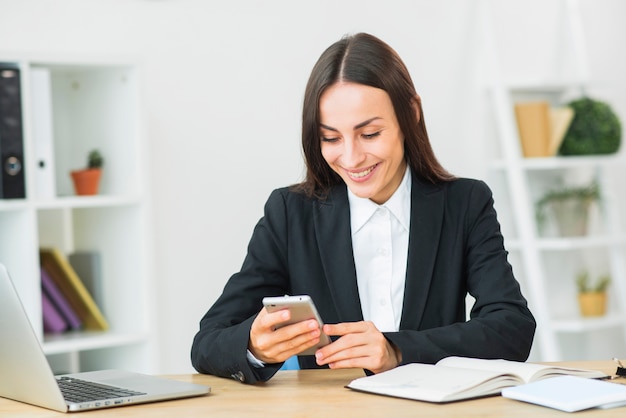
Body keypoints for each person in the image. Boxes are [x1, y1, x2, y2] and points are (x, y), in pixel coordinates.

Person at [191, 32, 536, 384]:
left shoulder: (465, 204)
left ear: (411, 114)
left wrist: (398, 351)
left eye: (369, 134)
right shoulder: (290, 214)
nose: (352, 158)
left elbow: (511, 326)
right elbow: (207, 341)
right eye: (331, 138)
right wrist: (255, 346)